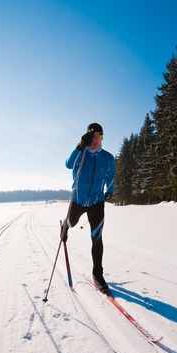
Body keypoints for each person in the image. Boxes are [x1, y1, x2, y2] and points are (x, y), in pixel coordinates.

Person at [64, 123, 115, 293]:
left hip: (96, 203)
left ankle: (98, 274)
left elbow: (111, 175)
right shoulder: (81, 153)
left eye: (99, 138)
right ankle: (65, 225)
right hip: (77, 201)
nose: (95, 141)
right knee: (71, 223)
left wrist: (110, 190)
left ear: (102, 138)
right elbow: (68, 164)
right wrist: (79, 146)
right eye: (92, 138)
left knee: (97, 238)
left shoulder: (107, 157)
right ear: (87, 138)